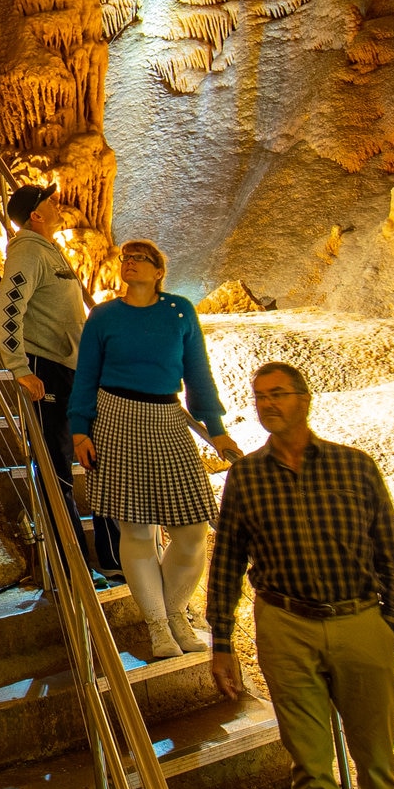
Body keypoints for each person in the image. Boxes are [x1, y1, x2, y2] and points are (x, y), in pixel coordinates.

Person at [208, 361, 394, 789]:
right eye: (260, 397)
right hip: (286, 626)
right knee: (310, 765)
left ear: (304, 399)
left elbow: (391, 550)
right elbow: (228, 561)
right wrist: (221, 642)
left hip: (360, 621)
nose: (268, 405)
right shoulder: (246, 477)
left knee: (378, 764)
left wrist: (390, 625)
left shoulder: (355, 466)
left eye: (278, 394)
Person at [69, 238, 239, 659]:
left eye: (141, 259)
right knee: (137, 530)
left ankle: (176, 611)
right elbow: (86, 374)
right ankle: (159, 626)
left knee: (193, 527)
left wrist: (215, 429)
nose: (131, 264)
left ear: (159, 271)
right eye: (127, 258)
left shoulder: (179, 311)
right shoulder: (104, 315)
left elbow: (198, 373)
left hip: (167, 419)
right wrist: (80, 430)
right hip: (114, 416)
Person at [0, 184, 111, 567]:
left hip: (72, 370)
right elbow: (9, 308)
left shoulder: (47, 250)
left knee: (94, 455)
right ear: (35, 215)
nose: (57, 203)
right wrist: (19, 368)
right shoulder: (27, 250)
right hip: (46, 370)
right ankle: (69, 561)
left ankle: (109, 555)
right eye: (49, 200)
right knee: (56, 463)